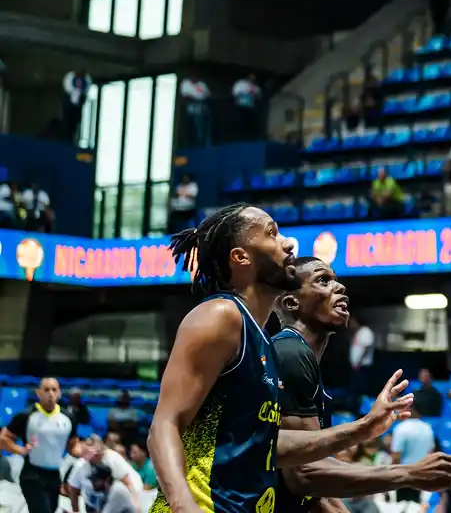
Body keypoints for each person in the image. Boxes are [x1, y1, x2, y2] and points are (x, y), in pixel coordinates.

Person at [146, 204, 414, 513]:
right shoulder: (220, 315)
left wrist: (364, 427)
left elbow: (271, 444)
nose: (288, 243)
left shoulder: (263, 342)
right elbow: (165, 425)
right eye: (272, 233)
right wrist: (182, 505)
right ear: (241, 257)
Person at [273, 256, 451, 513]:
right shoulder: (290, 352)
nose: (339, 287)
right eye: (323, 280)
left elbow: (317, 487)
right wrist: (408, 473)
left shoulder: (300, 356)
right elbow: (305, 475)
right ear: (292, 302)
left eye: (336, 280)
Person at [0, 376, 76, 513]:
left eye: (54, 390)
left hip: (54, 477)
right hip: (32, 475)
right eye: (46, 390)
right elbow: (3, 439)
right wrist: (21, 450)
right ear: (38, 392)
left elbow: (73, 446)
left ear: (59, 393)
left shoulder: (68, 418)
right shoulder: (26, 416)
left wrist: (86, 452)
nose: (51, 393)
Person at [66, 434, 142, 512]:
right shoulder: (81, 463)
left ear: (100, 452)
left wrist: (137, 507)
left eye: (95, 454)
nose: (89, 456)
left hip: (122, 498)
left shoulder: (112, 459)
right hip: (93, 503)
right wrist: (75, 510)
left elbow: (129, 483)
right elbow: (73, 487)